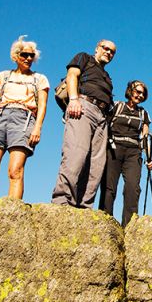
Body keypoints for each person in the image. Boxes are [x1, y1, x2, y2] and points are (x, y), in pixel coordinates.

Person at [0, 35, 49, 202]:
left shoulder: (39, 79)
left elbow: (42, 106)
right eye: (24, 55)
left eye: (31, 56)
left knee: (15, 171)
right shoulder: (4, 75)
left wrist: (37, 128)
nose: (28, 58)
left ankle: (14, 216)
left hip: (24, 119)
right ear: (16, 56)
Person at [51, 39, 116, 208]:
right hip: (83, 106)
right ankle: (62, 202)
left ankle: (84, 207)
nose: (109, 52)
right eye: (106, 48)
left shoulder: (107, 77)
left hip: (102, 116)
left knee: (96, 164)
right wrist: (73, 99)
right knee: (75, 155)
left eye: (112, 52)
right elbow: (72, 75)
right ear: (97, 48)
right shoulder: (84, 57)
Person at [99, 80, 152, 226]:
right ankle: (105, 222)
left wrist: (149, 159)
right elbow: (105, 126)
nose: (140, 95)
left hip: (133, 153)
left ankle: (128, 227)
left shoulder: (143, 114)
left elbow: (145, 137)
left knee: (132, 188)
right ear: (130, 91)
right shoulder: (117, 106)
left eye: (143, 93)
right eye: (137, 91)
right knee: (109, 187)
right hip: (114, 148)